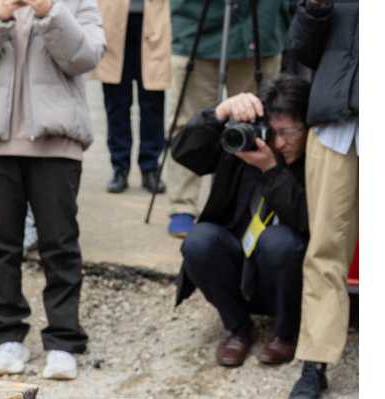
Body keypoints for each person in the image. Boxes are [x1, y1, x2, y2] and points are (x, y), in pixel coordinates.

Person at [0, 0, 105, 381]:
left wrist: (49, 11)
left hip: (57, 141)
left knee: (60, 243)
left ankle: (64, 340)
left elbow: (85, 57)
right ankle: (7, 337)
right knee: (0, 245)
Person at [172, 75, 311, 368]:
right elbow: (183, 153)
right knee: (199, 241)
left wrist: (271, 170)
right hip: (242, 267)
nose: (280, 143)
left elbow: (305, 220)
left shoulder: (317, 157)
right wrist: (219, 113)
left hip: (289, 278)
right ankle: (237, 328)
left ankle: (286, 334)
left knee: (279, 241)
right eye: (273, 132)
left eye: (288, 133)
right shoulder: (246, 144)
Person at [161, 0, 290, 238]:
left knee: (256, 123)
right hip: (197, 23)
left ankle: (249, 203)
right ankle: (182, 205)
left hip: (260, 23)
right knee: (189, 119)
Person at [285, 0, 357, 399]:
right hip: (335, 127)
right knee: (325, 249)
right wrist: (315, 9)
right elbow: (302, 51)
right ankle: (315, 361)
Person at [94, 0, 169, 194]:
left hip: (154, 22)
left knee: (153, 104)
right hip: (112, 20)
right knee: (116, 104)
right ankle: (120, 168)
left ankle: (150, 167)